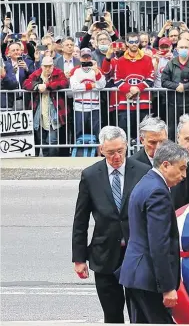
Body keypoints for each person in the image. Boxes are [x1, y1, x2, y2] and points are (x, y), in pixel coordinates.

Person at [71, 126, 151, 323]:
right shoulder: (91, 175)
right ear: (101, 150)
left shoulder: (143, 172)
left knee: (140, 314)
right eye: (110, 152)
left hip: (137, 255)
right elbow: (81, 219)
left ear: (126, 147)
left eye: (120, 151)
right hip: (105, 255)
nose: (116, 157)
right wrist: (79, 258)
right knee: (112, 315)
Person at [119, 140, 189, 323]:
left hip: (136, 275)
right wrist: (167, 287)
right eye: (181, 168)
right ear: (166, 165)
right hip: (149, 279)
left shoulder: (146, 182)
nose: (184, 175)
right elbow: (159, 244)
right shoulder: (158, 192)